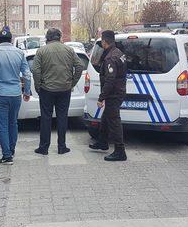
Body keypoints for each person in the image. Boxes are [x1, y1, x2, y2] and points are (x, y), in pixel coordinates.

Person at [32, 28, 84, 155]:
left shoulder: (41, 51)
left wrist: (38, 86)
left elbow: (36, 70)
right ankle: (62, 147)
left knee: (46, 118)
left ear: (47, 38)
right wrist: (72, 83)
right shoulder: (69, 50)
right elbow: (80, 66)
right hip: (64, 89)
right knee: (62, 117)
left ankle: (44, 148)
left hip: (47, 89)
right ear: (60, 37)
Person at [0, 28, 32, 165]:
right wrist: (27, 91)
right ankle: (11, 150)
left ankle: (6, 155)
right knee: (13, 123)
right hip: (15, 93)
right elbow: (27, 74)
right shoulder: (19, 53)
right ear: (11, 40)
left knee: (2, 125)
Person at [88, 30, 128, 161]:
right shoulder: (118, 53)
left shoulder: (111, 57)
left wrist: (102, 97)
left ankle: (120, 151)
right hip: (118, 91)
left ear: (104, 42)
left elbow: (110, 80)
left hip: (114, 94)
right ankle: (103, 142)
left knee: (114, 122)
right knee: (106, 118)